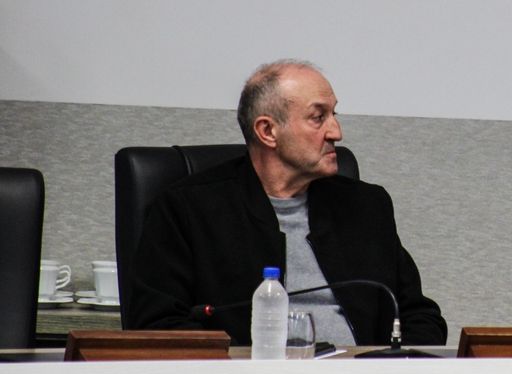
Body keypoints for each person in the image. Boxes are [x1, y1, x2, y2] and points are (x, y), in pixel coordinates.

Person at [127, 59, 447, 346]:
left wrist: (396, 369)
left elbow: (419, 315)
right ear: (268, 131)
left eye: (334, 114)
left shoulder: (366, 206)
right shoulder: (187, 209)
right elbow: (160, 325)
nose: (336, 132)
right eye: (318, 117)